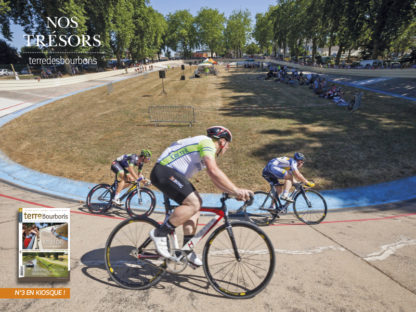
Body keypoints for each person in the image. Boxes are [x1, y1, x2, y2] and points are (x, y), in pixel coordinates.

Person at [149, 126, 252, 267]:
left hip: (170, 174)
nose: (227, 148)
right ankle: (160, 233)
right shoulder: (207, 143)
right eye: (227, 145)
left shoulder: (206, 147)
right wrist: (236, 189)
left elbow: (213, 177)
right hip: (164, 171)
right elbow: (213, 170)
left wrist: (233, 193)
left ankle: (186, 250)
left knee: (195, 207)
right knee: (194, 202)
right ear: (222, 141)